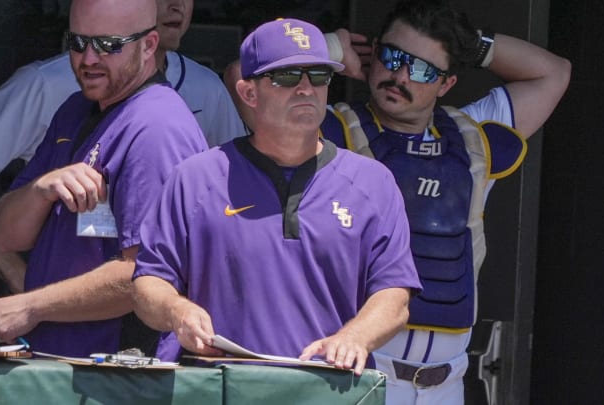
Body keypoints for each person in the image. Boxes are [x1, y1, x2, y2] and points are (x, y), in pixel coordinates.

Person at [224, 0, 570, 402]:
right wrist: (330, 48)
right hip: (356, 371)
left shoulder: (471, 142)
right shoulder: (327, 133)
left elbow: (553, 74)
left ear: (446, 84)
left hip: (448, 381)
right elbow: (241, 80)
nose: (400, 76)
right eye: (391, 57)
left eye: (422, 69)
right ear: (373, 54)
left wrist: (469, 45)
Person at [131, 17, 422, 376]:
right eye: (286, 76)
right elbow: (148, 284)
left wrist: (355, 337)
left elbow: (394, 295)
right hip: (219, 387)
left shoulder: (372, 182)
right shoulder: (195, 178)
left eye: (318, 75)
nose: (305, 88)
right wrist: (177, 311)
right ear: (248, 93)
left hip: (327, 389)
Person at [0, 0, 246, 341]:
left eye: (109, 45)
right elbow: (7, 234)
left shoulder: (156, 126)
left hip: (116, 372)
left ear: (148, 45)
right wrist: (42, 189)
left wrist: (31, 306)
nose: (89, 59)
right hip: (60, 360)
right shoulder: (76, 108)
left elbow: (148, 276)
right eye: (78, 43)